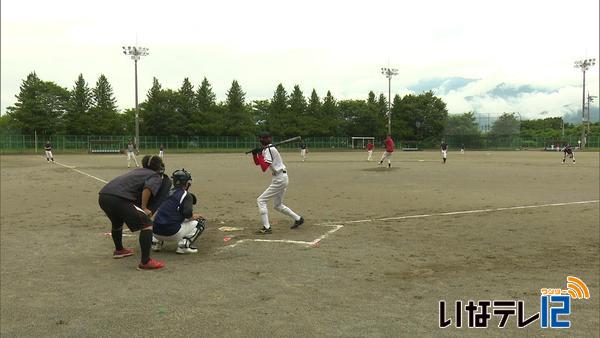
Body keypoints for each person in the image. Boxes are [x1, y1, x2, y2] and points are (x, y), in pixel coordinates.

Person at [98, 155, 167, 270]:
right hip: (120, 199)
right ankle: (145, 262)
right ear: (159, 166)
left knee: (117, 222)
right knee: (147, 225)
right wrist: (144, 207)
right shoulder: (155, 175)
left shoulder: (137, 171)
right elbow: (148, 188)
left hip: (104, 196)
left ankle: (119, 250)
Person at [251, 131, 304, 234]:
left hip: (280, 179)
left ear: (269, 139)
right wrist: (255, 155)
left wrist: (259, 154)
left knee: (261, 200)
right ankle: (298, 219)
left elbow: (264, 168)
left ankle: (266, 228)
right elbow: (258, 163)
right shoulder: (265, 150)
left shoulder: (270, 149)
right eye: (262, 138)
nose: (263, 140)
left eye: (265, 138)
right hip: (280, 177)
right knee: (278, 205)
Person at [152, 169, 206, 254]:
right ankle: (183, 246)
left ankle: (155, 243)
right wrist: (195, 216)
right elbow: (187, 214)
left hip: (155, 231)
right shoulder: (186, 195)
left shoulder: (166, 192)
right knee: (200, 221)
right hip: (172, 233)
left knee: (163, 217)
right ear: (187, 183)